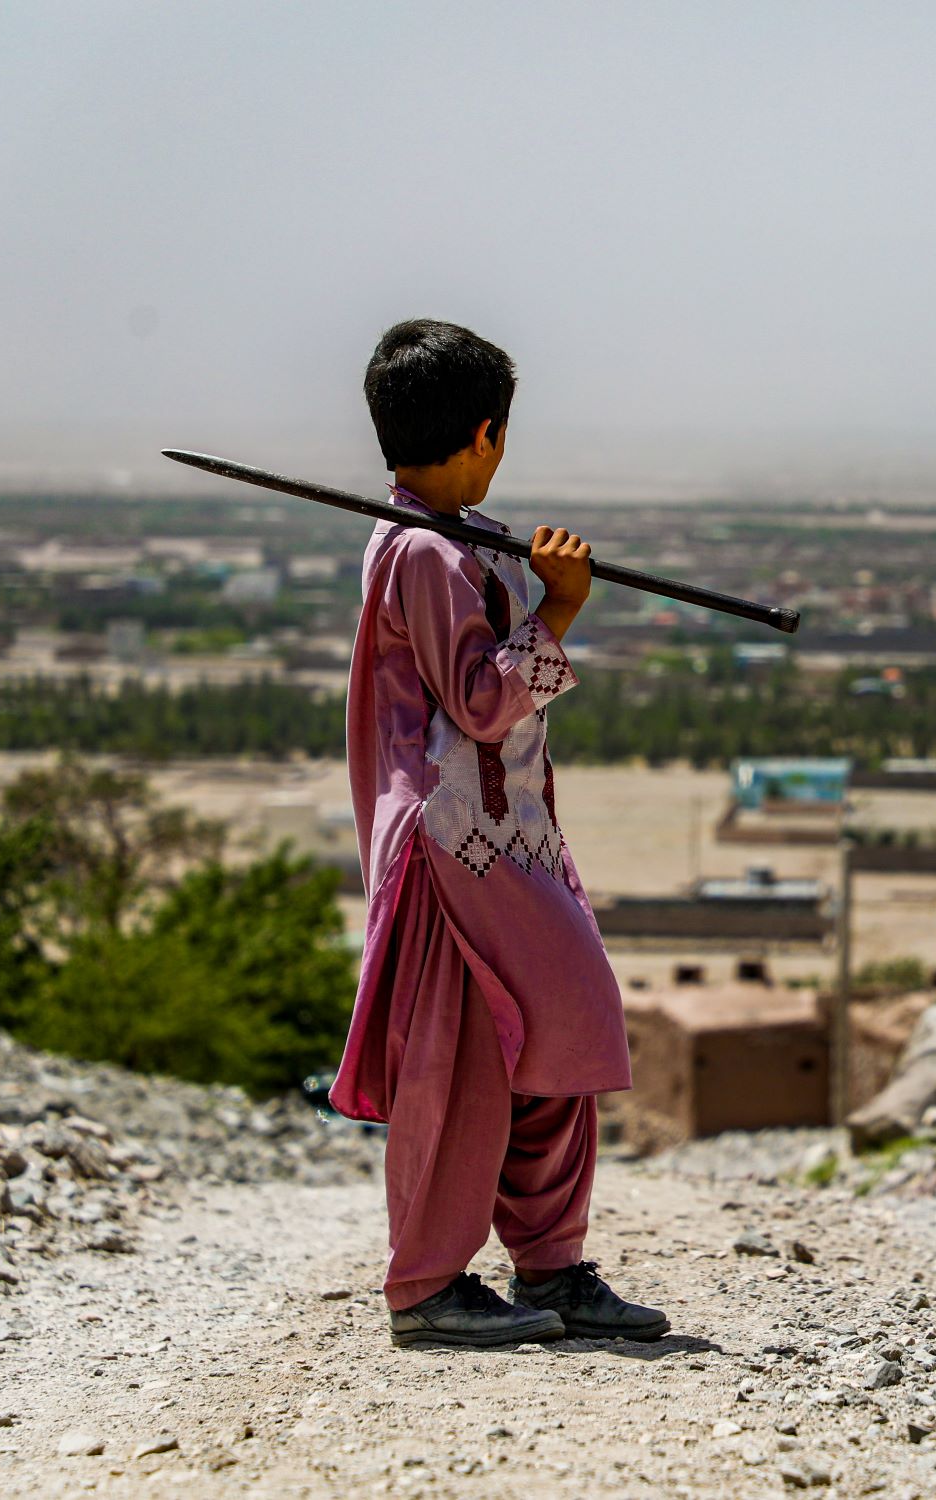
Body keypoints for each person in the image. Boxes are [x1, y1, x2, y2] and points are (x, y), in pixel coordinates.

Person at [331, 318, 667, 1349]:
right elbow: (480, 704)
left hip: (505, 833)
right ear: (487, 433)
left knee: (561, 1017)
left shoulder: (450, 539)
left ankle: (552, 1264)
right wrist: (561, 609)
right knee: (460, 1051)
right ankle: (429, 1284)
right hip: (450, 838)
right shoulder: (426, 554)